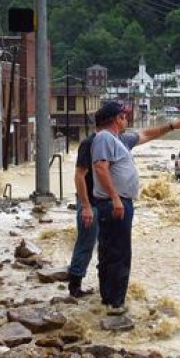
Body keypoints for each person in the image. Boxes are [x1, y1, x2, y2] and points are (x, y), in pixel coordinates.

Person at [92, 101, 180, 314]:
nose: (127, 119)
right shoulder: (105, 138)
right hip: (114, 204)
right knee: (119, 253)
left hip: (118, 202)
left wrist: (171, 126)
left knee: (111, 252)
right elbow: (100, 168)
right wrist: (115, 198)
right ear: (116, 119)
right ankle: (115, 304)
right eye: (124, 116)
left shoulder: (119, 140)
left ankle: (109, 300)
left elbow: (146, 134)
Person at [67, 124, 101, 298]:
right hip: (90, 203)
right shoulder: (89, 143)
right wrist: (86, 206)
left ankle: (96, 284)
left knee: (99, 245)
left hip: (101, 203)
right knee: (86, 243)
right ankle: (74, 285)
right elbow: (79, 175)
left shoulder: (108, 142)